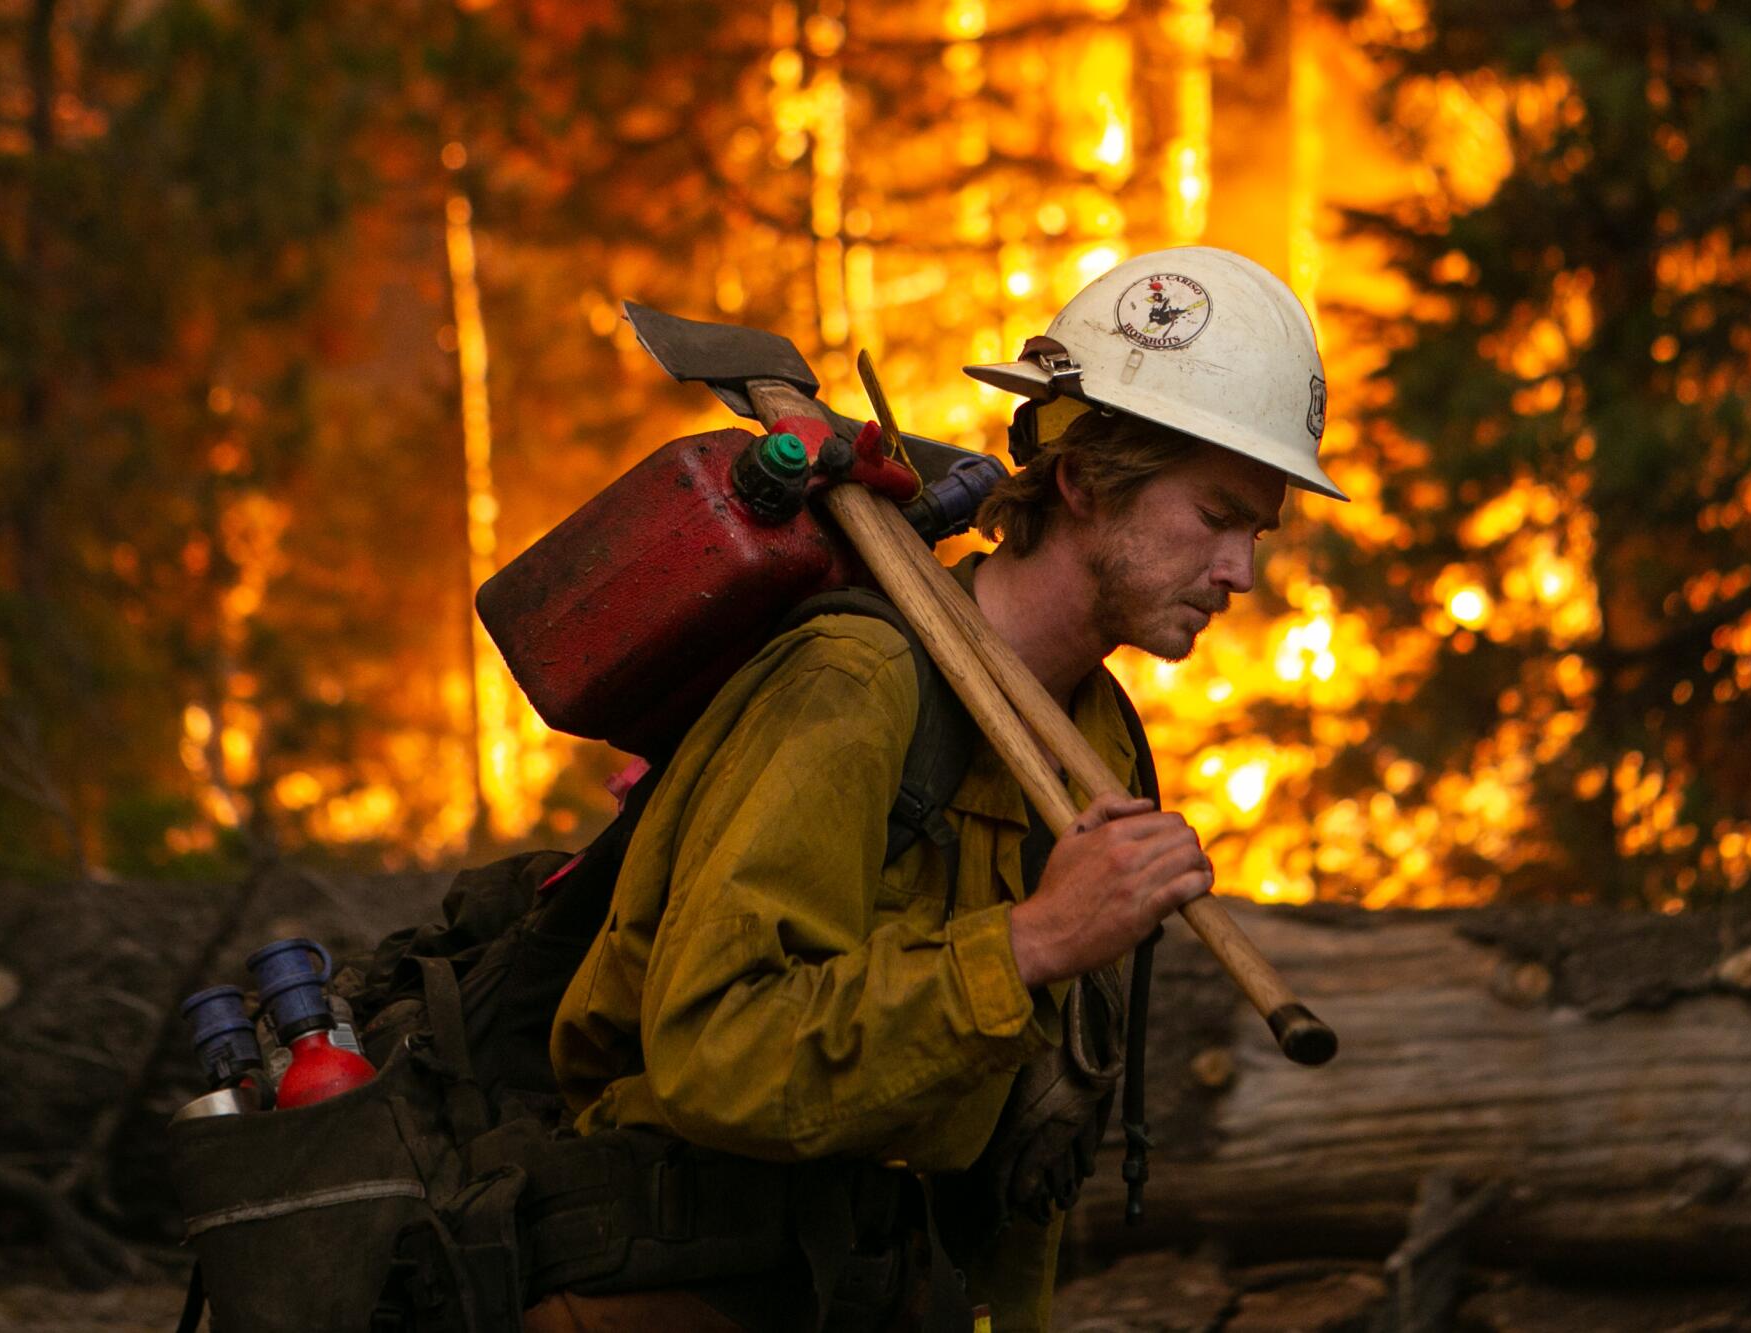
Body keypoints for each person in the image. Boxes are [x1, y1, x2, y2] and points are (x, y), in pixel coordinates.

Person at [534, 246, 1346, 1333]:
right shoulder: (851, 689)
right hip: (680, 1285)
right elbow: (711, 1050)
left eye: (1256, 530)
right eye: (1213, 515)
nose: (1240, 572)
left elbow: (1021, 1163)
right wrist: (1030, 945)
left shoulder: (1094, 737)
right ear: (1081, 479)